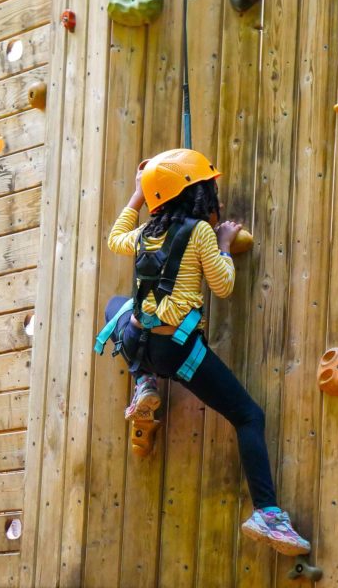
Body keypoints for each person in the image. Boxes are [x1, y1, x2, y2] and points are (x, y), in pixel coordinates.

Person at [102, 148, 310, 556]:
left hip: (139, 341)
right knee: (249, 415)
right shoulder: (198, 232)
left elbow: (114, 240)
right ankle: (267, 512)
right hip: (178, 351)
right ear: (198, 196)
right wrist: (224, 243)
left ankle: (142, 381)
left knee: (115, 306)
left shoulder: (147, 232)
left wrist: (137, 196)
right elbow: (223, 285)